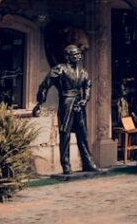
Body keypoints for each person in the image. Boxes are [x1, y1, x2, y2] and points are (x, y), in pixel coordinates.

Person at [33, 44, 100, 175]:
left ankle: (88, 162)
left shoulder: (83, 72)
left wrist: (85, 100)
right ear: (68, 57)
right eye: (75, 54)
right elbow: (45, 85)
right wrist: (40, 103)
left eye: (79, 54)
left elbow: (87, 86)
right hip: (66, 102)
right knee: (65, 134)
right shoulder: (60, 69)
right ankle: (66, 164)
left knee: (83, 135)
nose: (78, 56)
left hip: (79, 105)